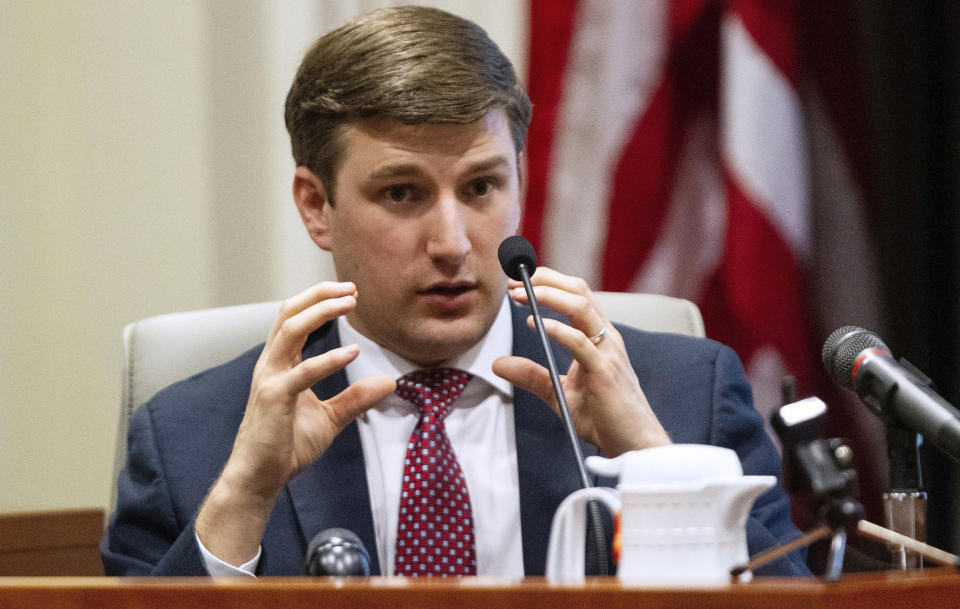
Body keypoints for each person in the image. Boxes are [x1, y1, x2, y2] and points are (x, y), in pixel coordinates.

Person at [101, 5, 808, 577]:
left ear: (520, 184)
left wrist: (658, 468)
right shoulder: (193, 439)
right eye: (402, 192)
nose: (452, 240)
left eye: (480, 187)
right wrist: (244, 497)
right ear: (317, 205)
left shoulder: (685, 397)